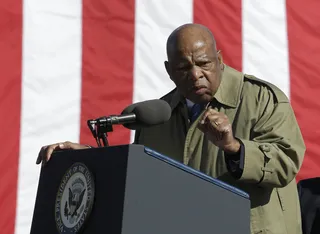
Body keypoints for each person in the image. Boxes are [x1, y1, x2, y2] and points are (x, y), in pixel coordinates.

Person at [37, 23, 306, 234]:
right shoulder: (158, 115)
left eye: (204, 63)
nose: (196, 74)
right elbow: (142, 173)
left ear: (220, 59)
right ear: (169, 71)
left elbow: (286, 161)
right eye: (183, 67)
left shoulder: (261, 99)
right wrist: (85, 157)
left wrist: (234, 148)